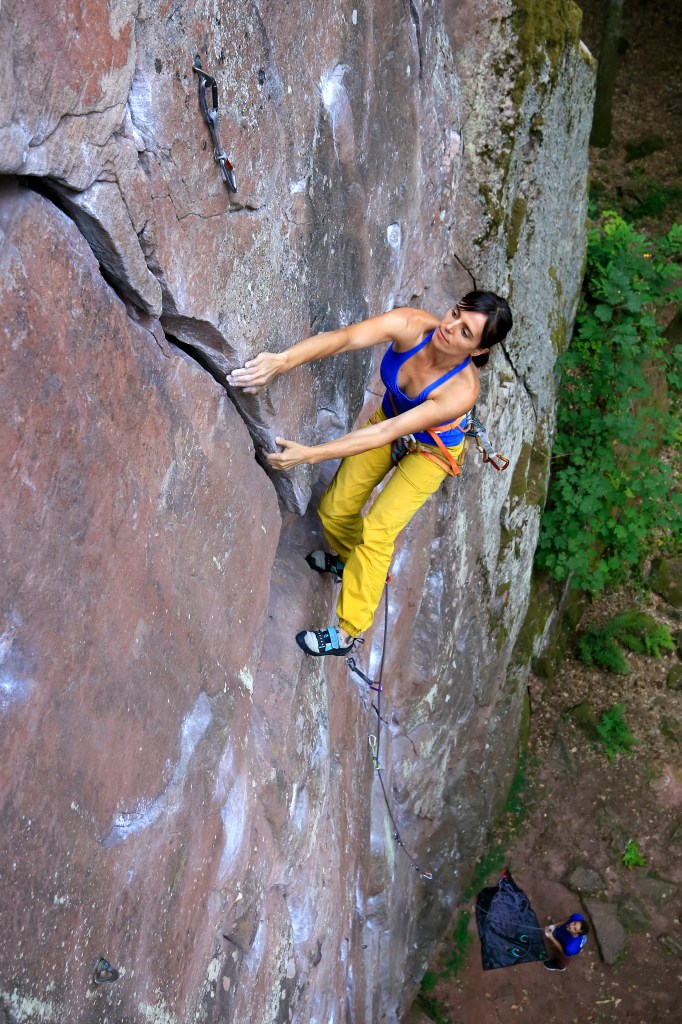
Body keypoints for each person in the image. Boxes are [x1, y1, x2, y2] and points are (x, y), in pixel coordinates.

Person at [227, 291, 512, 656]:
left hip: (431, 452)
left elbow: (382, 435)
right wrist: (281, 362)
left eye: (465, 333)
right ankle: (354, 564)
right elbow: (344, 339)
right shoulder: (411, 325)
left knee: (377, 530)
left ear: (477, 351)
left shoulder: (462, 391)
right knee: (334, 509)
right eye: (455, 313)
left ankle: (347, 632)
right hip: (393, 419)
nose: (449, 327)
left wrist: (310, 455)